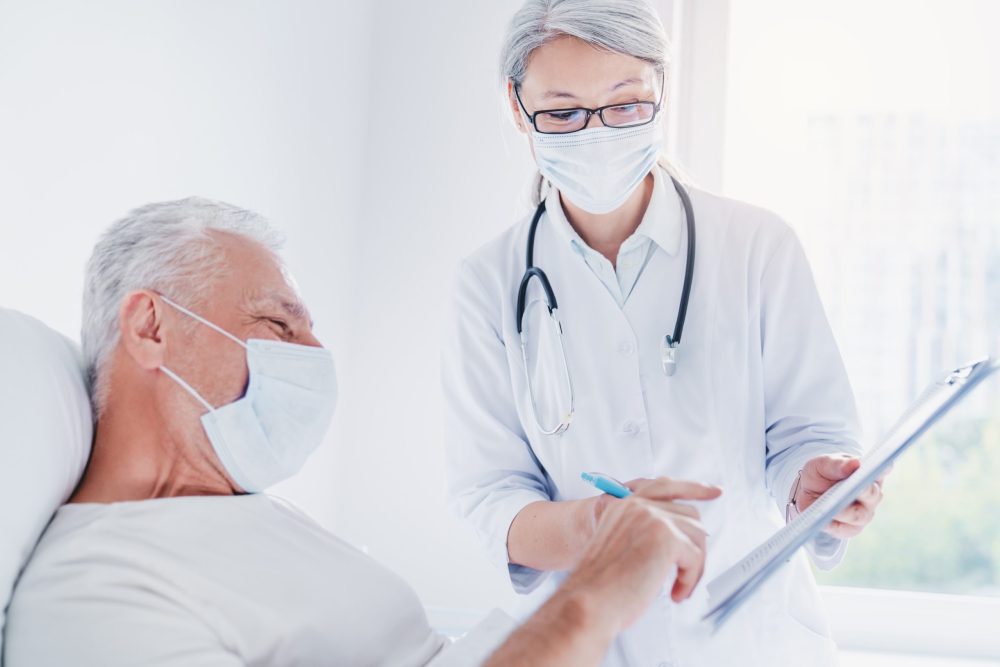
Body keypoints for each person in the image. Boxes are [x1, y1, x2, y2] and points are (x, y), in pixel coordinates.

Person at [3, 197, 714, 667]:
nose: (313, 358)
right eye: (277, 324)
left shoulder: (240, 516)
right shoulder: (92, 596)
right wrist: (597, 591)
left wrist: (598, 532)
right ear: (151, 327)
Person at [442, 1, 887, 665]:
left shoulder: (755, 245)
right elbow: (490, 496)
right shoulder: (488, 282)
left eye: (625, 104)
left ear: (661, 91)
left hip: (753, 639)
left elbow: (807, 436)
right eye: (563, 112)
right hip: (586, 641)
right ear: (515, 104)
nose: (596, 134)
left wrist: (814, 481)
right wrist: (598, 527)